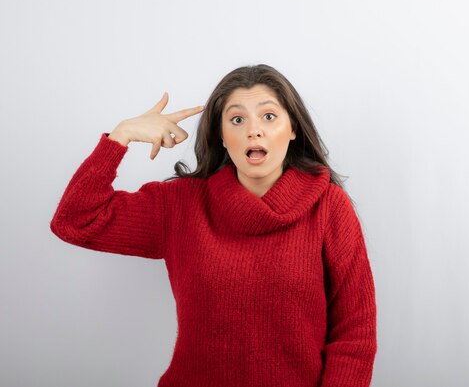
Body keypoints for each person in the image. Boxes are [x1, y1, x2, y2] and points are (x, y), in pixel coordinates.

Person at [50, 64, 377, 387]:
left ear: (293, 128)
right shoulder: (180, 204)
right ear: (221, 136)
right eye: (237, 119)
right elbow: (75, 220)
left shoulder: (328, 208)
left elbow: (355, 333)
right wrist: (120, 137)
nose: (254, 130)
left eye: (269, 116)